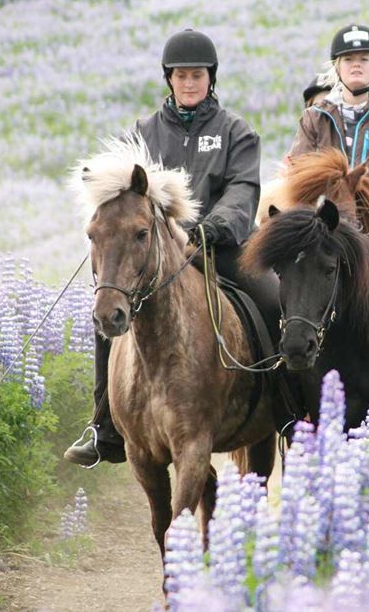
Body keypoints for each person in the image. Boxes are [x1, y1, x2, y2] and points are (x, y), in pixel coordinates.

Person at [64, 28, 279, 467]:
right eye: (181, 76)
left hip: (216, 248)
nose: (189, 83)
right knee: (108, 311)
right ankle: (105, 427)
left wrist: (211, 229)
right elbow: (120, 196)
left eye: (197, 75)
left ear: (210, 79)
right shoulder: (142, 134)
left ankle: (290, 403)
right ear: (169, 80)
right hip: (153, 258)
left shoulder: (235, 132)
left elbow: (242, 190)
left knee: (272, 298)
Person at [288, 24, 369, 255]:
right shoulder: (313, 118)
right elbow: (299, 170)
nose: (356, 64)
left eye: (364, 59)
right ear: (337, 66)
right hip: (323, 220)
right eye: (348, 59)